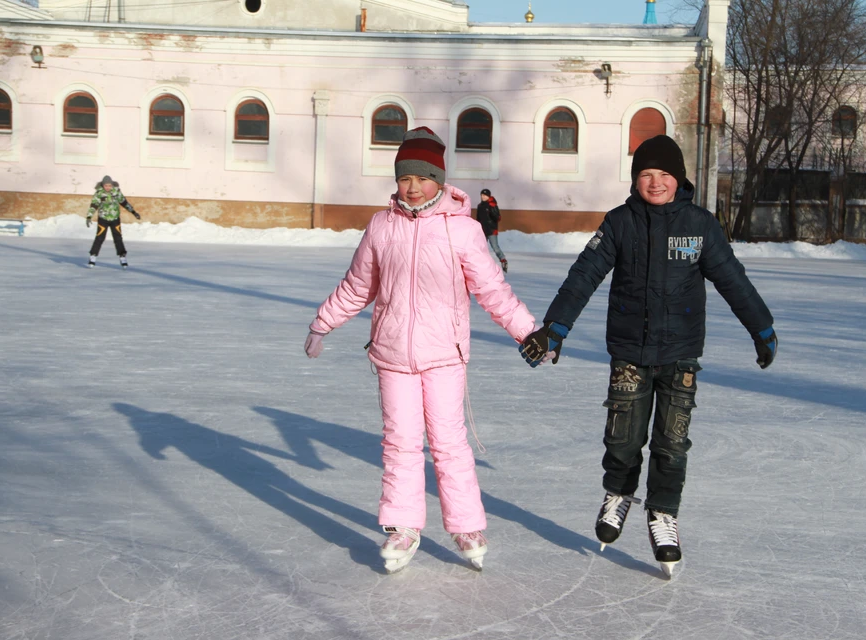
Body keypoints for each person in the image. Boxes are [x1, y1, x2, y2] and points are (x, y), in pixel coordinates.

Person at [518, 135, 777, 577]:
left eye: (664, 175)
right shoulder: (620, 223)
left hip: (680, 354)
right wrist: (555, 328)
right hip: (630, 351)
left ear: (679, 179)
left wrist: (762, 327)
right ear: (635, 179)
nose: (655, 183)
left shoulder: (700, 226)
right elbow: (584, 275)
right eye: (645, 174)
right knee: (622, 436)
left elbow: (733, 280)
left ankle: (662, 513)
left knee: (672, 442)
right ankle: (618, 493)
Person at [305, 127, 536, 574]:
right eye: (404, 177)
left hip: (444, 355)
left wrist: (528, 333)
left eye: (422, 177)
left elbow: (493, 290)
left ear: (439, 179)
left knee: (449, 443)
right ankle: (403, 526)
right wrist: (322, 323)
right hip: (391, 354)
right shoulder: (381, 226)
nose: (412, 186)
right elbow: (358, 286)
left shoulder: (463, 231)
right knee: (400, 443)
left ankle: (466, 525)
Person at [85, 175, 140, 268]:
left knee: (118, 238)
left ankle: (122, 256)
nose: (108, 187)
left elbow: (124, 202)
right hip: (103, 218)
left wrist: (133, 212)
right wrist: (89, 216)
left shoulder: (116, 191)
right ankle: (93, 256)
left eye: (109, 185)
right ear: (103, 185)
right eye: (106, 186)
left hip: (115, 218)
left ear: (112, 185)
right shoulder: (99, 193)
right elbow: (94, 205)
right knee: (99, 237)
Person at [476, 188, 508, 273]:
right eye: (482, 195)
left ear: (488, 196)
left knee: (495, 247)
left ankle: (503, 260)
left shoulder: (492, 205)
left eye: (485, 195)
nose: (483, 197)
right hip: (482, 230)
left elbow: (498, 218)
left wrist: (493, 212)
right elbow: (478, 219)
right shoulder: (480, 206)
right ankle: (481, 263)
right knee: (481, 248)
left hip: (491, 230)